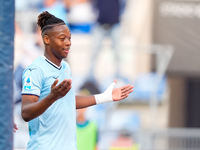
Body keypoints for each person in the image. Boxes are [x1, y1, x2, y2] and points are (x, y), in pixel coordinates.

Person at [21, 11, 133, 150]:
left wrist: (104, 97)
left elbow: (68, 101)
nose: (68, 43)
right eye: (62, 38)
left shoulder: (65, 68)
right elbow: (26, 113)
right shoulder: (35, 70)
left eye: (69, 38)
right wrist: (51, 97)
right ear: (47, 39)